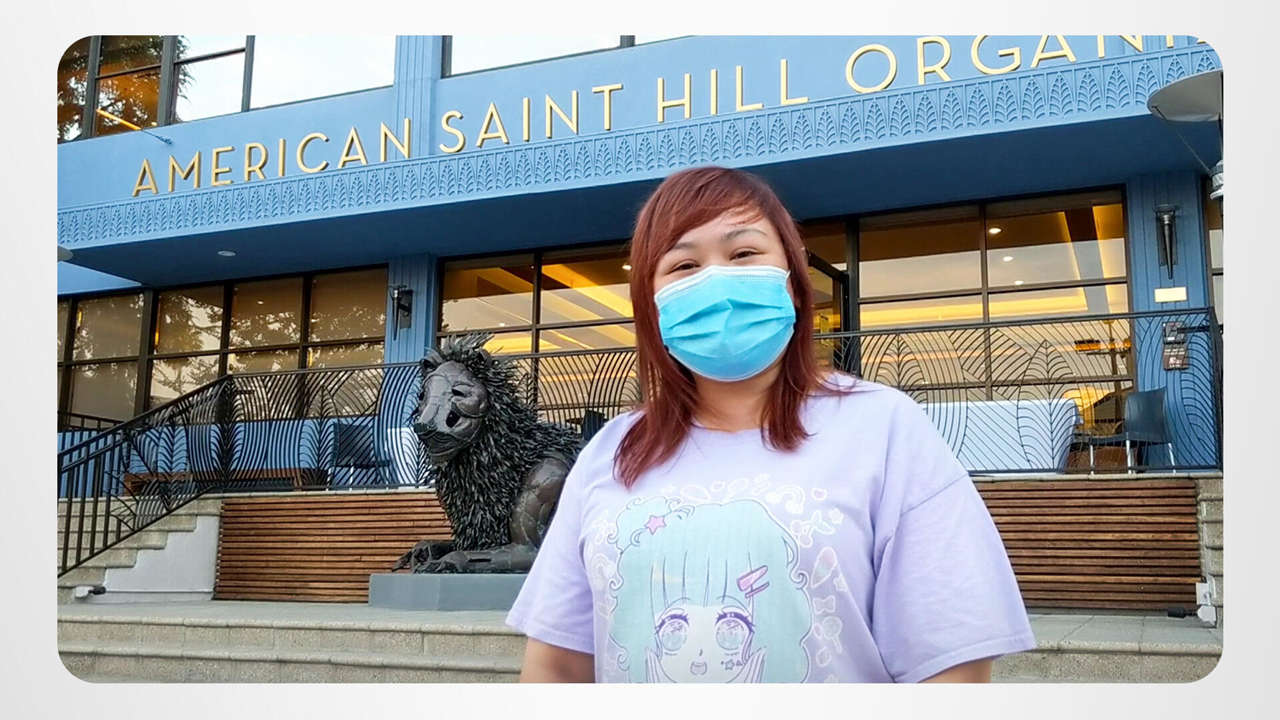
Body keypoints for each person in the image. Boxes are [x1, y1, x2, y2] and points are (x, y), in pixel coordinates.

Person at [505, 166, 1036, 683]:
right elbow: (557, 666)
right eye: (684, 265)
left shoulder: (885, 428)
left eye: (743, 254)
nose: (717, 281)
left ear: (794, 280)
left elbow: (952, 668)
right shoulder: (611, 452)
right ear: (651, 303)